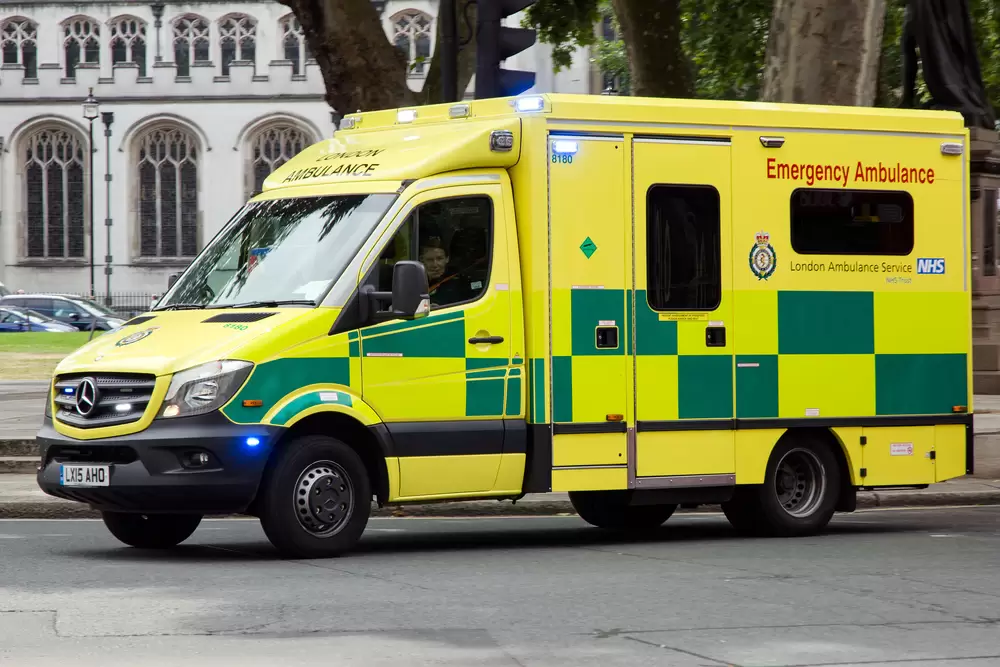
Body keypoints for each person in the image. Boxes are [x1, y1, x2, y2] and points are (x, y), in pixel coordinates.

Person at [419, 238, 471, 307]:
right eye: (429, 260)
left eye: (439, 259)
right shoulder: (416, 282)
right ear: (422, 261)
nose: (435, 264)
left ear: (447, 259)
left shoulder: (459, 281)